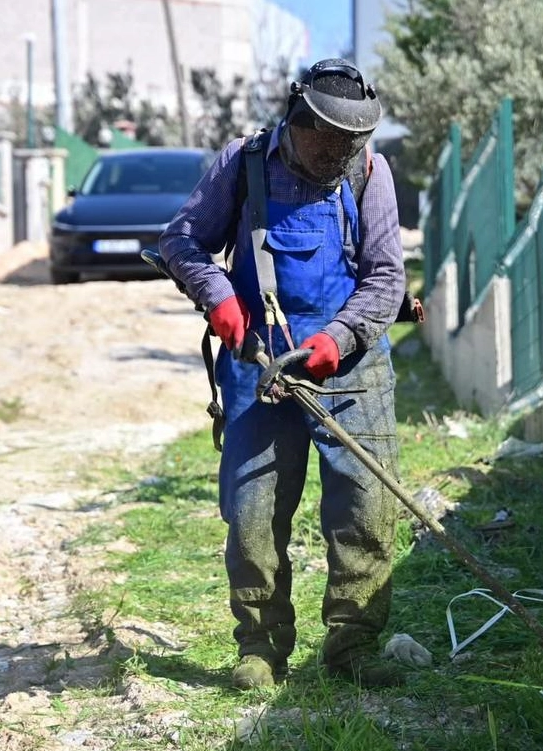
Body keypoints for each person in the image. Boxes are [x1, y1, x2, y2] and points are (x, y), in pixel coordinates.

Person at [158, 59, 407, 690]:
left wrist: (338, 340)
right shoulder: (242, 163)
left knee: (366, 505)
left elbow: (386, 279)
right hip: (258, 366)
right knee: (252, 511)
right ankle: (261, 646)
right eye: (327, 143)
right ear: (298, 120)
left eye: (348, 144)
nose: (337, 156)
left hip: (350, 366)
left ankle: (353, 645)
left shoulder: (370, 172)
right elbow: (181, 241)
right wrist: (218, 298)